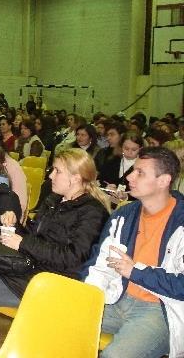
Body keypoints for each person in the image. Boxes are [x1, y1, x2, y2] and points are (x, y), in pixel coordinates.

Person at [0, 148, 110, 358]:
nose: (50, 176)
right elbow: (34, 237)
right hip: (28, 268)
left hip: (52, 283)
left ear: (75, 178)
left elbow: (73, 259)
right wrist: (14, 225)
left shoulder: (92, 212)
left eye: (56, 171)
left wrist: (23, 243)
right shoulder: (54, 201)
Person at [82, 147, 184, 358]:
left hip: (160, 310)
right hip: (118, 297)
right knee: (58, 321)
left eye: (140, 172)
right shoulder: (124, 215)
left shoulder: (180, 222)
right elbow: (98, 262)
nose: (129, 177)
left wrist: (135, 272)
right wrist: (89, 298)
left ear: (163, 181)